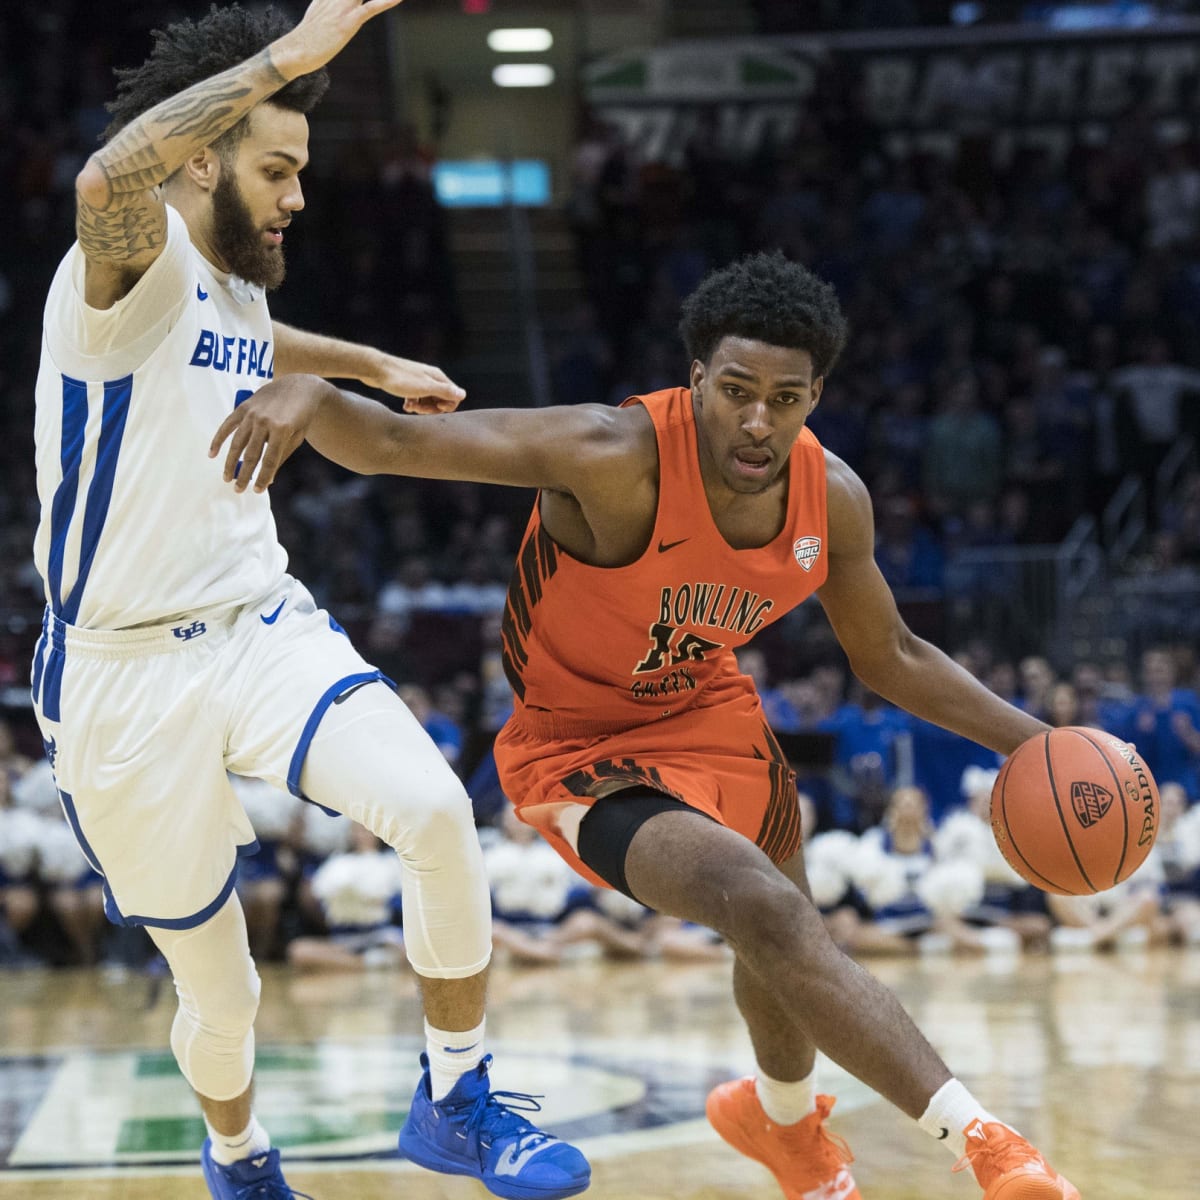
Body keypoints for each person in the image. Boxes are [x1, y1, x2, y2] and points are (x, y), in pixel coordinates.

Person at [219, 251, 1082, 1199]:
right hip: (576, 742)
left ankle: (784, 1127)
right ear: (698, 378)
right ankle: (990, 1148)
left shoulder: (831, 497)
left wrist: (1034, 744)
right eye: (737, 391)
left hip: (710, 714)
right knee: (766, 907)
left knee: (782, 932)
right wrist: (312, 395)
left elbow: (894, 656)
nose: (758, 422)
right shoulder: (610, 452)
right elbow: (397, 445)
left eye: (786, 399)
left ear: (815, 397)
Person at [29, 5, 588, 1200]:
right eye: (275, 168)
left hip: (254, 621)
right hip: (119, 677)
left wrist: (364, 364)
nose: (295, 196)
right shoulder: (115, 268)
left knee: (436, 810)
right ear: (197, 163)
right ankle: (239, 1158)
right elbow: (102, 171)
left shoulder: (223, 288)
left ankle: (456, 1095)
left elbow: (251, 330)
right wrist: (293, 51)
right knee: (221, 995)